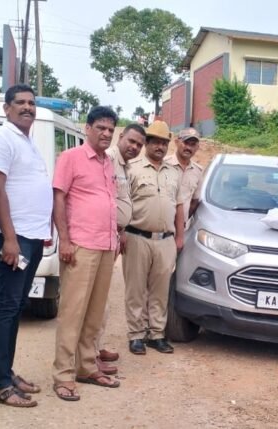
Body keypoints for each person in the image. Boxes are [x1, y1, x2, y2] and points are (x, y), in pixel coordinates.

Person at [0, 84, 48, 408]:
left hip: (31, 237)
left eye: (31, 103)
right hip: (14, 237)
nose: (27, 107)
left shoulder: (27, 141)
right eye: (20, 102)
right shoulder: (1, 139)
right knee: (6, 308)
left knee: (17, 305)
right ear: (6, 108)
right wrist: (8, 238)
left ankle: (6, 373)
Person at [51, 105, 121, 401]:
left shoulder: (108, 162)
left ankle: (86, 366)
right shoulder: (71, 157)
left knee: (94, 313)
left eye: (110, 129)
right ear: (87, 128)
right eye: (100, 128)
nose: (106, 133)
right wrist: (65, 241)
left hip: (106, 245)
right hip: (81, 245)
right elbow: (58, 198)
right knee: (73, 312)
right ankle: (63, 375)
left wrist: (115, 238)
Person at [123, 120, 184, 355]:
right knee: (136, 290)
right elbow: (122, 203)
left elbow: (179, 206)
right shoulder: (132, 169)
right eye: (156, 142)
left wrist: (179, 237)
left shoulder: (174, 172)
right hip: (137, 237)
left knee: (160, 290)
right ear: (146, 143)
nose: (160, 146)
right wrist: (120, 233)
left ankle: (156, 334)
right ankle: (136, 335)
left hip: (166, 240)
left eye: (164, 143)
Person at [94, 123, 146, 375]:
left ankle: (95, 346)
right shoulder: (109, 159)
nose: (134, 147)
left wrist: (122, 230)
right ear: (121, 136)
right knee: (96, 299)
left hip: (114, 235)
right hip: (100, 236)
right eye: (131, 141)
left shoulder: (125, 165)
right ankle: (89, 353)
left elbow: (121, 200)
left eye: (139, 145)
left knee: (102, 296)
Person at [165, 127, 205, 230]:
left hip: (182, 229)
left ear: (197, 147)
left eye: (193, 145)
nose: (189, 148)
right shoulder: (163, 164)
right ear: (176, 142)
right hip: (160, 228)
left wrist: (183, 221)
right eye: (186, 143)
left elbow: (194, 201)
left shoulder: (198, 171)